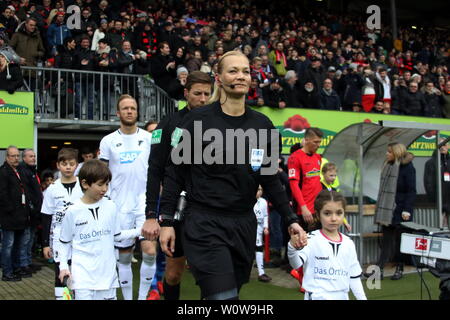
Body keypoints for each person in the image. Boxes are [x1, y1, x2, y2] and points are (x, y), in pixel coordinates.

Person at [158, 51, 306, 300]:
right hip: (204, 223)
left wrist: (290, 218)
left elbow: (269, 179)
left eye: (246, 71)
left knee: (224, 293)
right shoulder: (197, 121)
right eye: (233, 71)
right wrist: (166, 222)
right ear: (219, 77)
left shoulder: (264, 125)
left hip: (243, 225)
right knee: (224, 298)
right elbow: (175, 175)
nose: (241, 76)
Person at [142, 71, 213, 300]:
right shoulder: (169, 123)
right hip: (178, 208)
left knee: (209, 273)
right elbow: (154, 172)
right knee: (173, 275)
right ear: (186, 93)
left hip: (210, 209)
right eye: (197, 94)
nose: (203, 99)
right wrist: (152, 215)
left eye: (207, 94)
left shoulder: (219, 123)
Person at [58, 160, 142, 300]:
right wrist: (63, 266)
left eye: (107, 184)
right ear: (85, 184)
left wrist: (140, 231)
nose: (105, 189)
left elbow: (117, 235)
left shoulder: (111, 206)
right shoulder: (72, 211)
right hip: (82, 277)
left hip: (108, 277)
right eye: (100, 184)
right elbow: (65, 242)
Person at [99, 94, 156, 300]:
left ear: (137, 112)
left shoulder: (149, 138)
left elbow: (157, 169)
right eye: (125, 108)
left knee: (149, 252)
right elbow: (101, 174)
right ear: (118, 113)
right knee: (124, 258)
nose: (130, 111)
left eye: (133, 108)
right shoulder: (108, 141)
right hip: (119, 205)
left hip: (144, 203)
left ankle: (142, 298)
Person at [288, 190, 367, 300]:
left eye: (339, 213)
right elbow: (296, 264)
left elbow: (354, 277)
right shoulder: (310, 239)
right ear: (318, 214)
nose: (334, 218)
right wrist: (292, 247)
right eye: (327, 213)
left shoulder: (348, 243)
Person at [40, 148, 84, 299]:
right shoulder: (52, 189)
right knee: (61, 272)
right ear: (58, 165)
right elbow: (46, 217)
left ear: (77, 165)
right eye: (64, 164)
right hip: (58, 237)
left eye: (71, 164)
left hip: (80, 236)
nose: (68, 167)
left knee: (78, 272)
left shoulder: (83, 186)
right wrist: (45, 243)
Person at [371, 142, 416, 280]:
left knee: (400, 241)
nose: (387, 154)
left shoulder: (408, 168)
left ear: (396, 153)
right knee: (387, 241)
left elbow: (411, 191)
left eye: (389, 152)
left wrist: (407, 210)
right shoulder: (388, 166)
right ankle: (379, 270)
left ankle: (399, 268)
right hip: (388, 210)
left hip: (401, 210)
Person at [287, 127, 323, 291]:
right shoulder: (295, 158)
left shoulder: (318, 158)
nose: (318, 145)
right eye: (316, 142)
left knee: (316, 245)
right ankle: (303, 280)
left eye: (320, 142)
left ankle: (309, 276)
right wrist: (303, 207)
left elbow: (315, 184)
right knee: (303, 245)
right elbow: (294, 184)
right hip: (304, 210)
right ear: (307, 140)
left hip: (316, 210)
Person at [0, 146, 32, 281]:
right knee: (8, 245)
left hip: (21, 215)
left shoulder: (19, 171)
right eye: (12, 156)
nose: (16, 158)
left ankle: (15, 268)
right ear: (7, 157)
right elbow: (2, 194)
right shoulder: (3, 172)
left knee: (18, 245)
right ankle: (7, 272)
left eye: (17, 156)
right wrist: (11, 210)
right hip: (9, 216)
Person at [18, 149, 43, 274]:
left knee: (31, 238)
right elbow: (28, 192)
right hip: (29, 211)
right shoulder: (24, 171)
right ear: (24, 158)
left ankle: (28, 261)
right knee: (26, 238)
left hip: (35, 211)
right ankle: (23, 264)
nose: (34, 158)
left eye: (34, 156)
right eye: (31, 156)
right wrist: (32, 206)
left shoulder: (32, 171)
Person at [424, 138, 450, 228]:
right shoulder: (431, 162)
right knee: (438, 227)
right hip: (437, 201)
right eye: (440, 145)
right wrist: (433, 198)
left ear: (448, 146)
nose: (443, 147)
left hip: (449, 200)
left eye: (445, 145)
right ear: (437, 147)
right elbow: (428, 182)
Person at [320, 162, 351, 232]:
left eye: (335, 176)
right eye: (331, 175)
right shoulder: (319, 186)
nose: (333, 178)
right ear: (323, 173)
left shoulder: (334, 190)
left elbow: (338, 207)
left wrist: (345, 222)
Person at [254, 185, 271, 283]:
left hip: (259, 228)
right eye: (257, 189)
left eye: (260, 189)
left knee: (259, 248)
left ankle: (261, 273)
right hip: (249, 227)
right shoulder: (247, 200)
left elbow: (265, 215)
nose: (258, 192)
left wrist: (265, 227)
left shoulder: (263, 202)